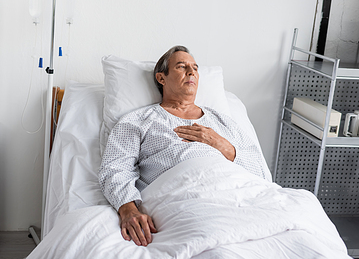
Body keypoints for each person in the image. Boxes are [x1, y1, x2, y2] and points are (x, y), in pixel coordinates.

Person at [98, 46, 269, 247]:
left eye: (195, 68)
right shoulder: (138, 121)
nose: (191, 72)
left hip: (236, 196)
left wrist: (221, 145)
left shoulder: (223, 122)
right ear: (161, 78)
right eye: (182, 66)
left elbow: (262, 173)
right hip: (182, 198)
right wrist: (129, 210)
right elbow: (114, 169)